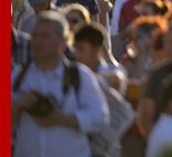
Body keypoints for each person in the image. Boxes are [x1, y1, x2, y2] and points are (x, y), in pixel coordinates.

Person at [11, 11, 109, 157]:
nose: (38, 41)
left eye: (45, 36)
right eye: (35, 36)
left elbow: (101, 118)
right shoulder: (18, 77)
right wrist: (17, 107)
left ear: (62, 42)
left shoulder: (80, 76)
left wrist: (61, 119)